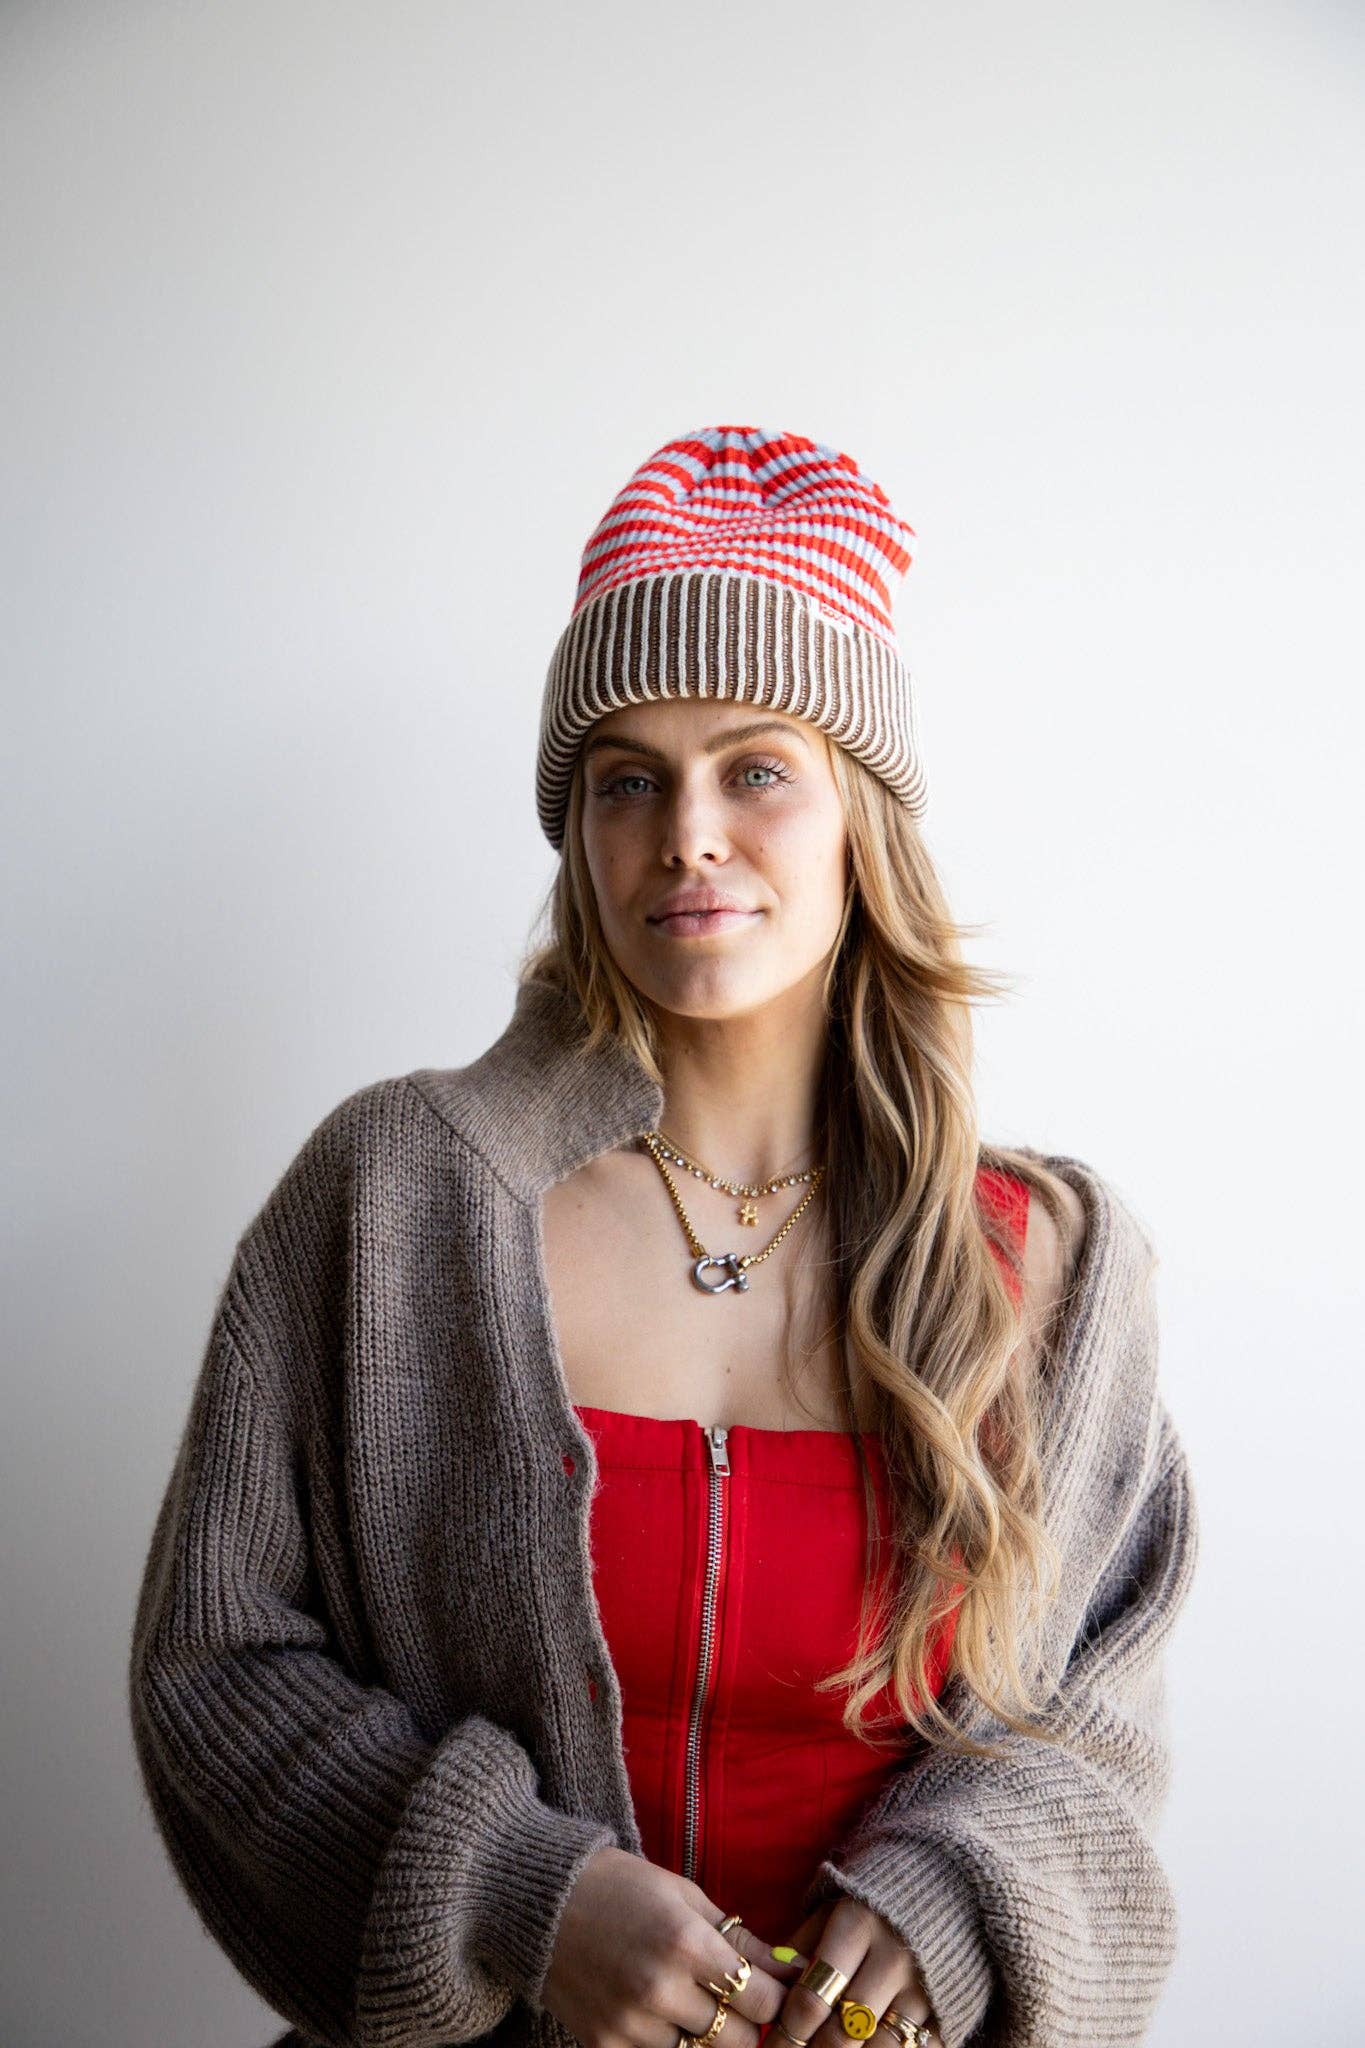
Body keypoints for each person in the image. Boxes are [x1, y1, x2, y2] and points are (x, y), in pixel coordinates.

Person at [128, 425, 1200, 2048]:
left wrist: (955, 1901)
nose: (687, 831)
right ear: (579, 835)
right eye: (627, 779)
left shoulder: (1051, 1264)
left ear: (861, 818)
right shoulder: (397, 1203)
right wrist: (516, 1892)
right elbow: (217, 1663)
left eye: (755, 766)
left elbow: (1095, 1720)